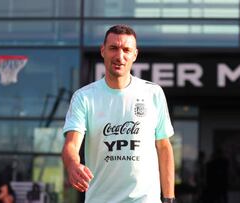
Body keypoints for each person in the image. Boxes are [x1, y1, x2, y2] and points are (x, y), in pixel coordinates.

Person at [62, 24, 175, 203]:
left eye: (126, 50)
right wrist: (73, 165)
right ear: (103, 51)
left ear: (135, 55)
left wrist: (169, 199)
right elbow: (71, 145)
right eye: (113, 48)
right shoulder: (84, 97)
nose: (119, 56)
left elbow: (164, 147)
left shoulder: (153, 93)